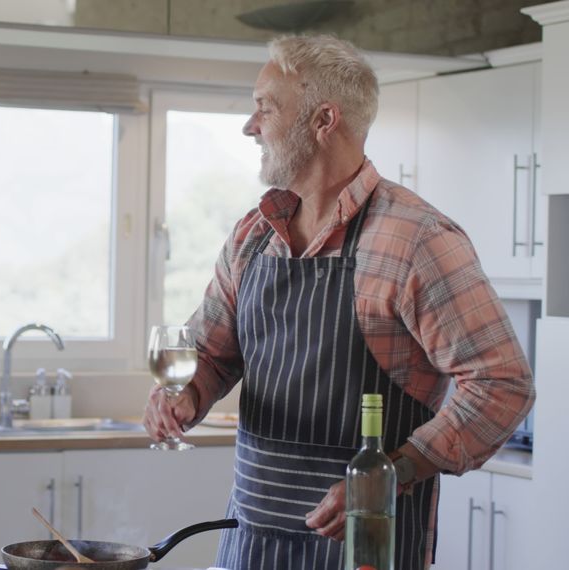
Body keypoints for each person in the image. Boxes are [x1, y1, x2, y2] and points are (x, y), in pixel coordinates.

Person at [142, 35, 535, 570]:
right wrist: (185, 396)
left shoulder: (416, 240)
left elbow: (502, 383)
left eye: (265, 108)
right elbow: (211, 352)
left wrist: (390, 473)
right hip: (250, 541)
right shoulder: (252, 236)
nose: (249, 126)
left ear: (323, 121)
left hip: (365, 547)